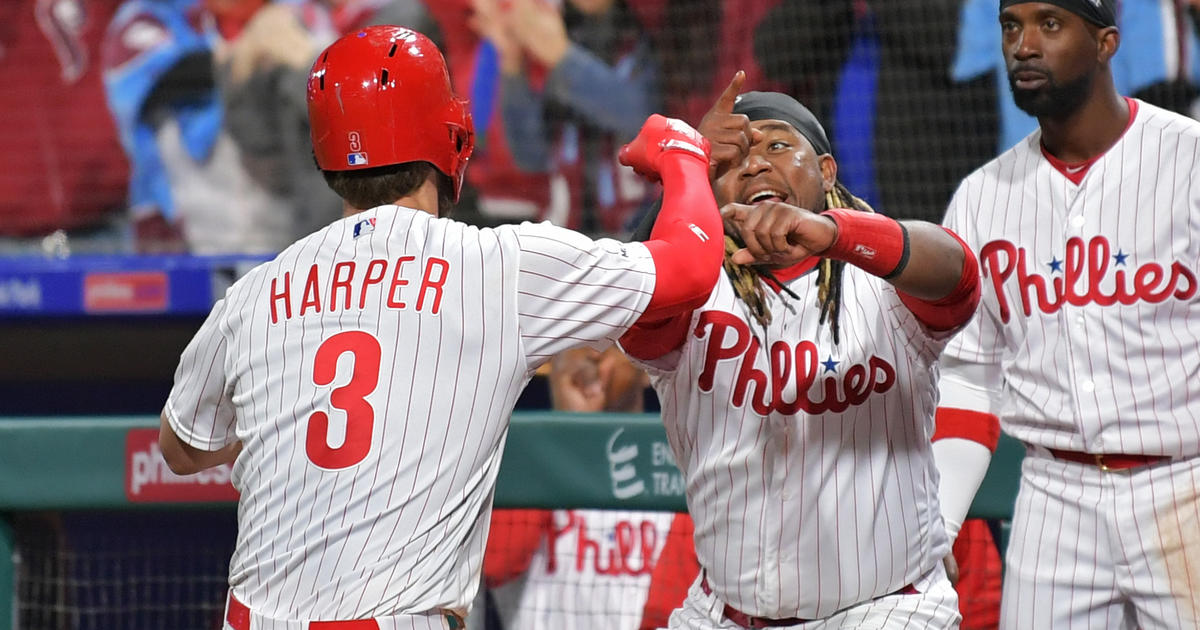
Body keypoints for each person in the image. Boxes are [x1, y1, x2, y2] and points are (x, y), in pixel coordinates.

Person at [157, 25, 727, 627]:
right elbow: (689, 268)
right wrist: (683, 152)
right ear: (449, 134)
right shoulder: (499, 266)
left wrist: (286, 422)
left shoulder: (253, 294)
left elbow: (180, 447)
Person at [620, 80, 983, 627]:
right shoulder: (690, 295)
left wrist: (835, 233)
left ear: (827, 172)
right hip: (723, 612)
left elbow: (960, 275)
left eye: (776, 145)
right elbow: (639, 307)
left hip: (884, 609)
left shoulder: (882, 282)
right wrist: (685, 164)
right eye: (733, 160)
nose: (756, 165)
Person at [935, 1, 1200, 628]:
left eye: (1049, 24)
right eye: (1011, 26)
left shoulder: (1188, 161)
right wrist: (943, 520)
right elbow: (969, 379)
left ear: (1107, 42)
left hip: (1184, 486)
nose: (1024, 45)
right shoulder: (981, 198)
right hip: (1055, 498)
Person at [481, 344, 696, 630]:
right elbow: (497, 566)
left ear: (649, 370)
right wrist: (568, 427)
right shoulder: (527, 458)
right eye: (575, 345)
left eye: (611, 342)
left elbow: (682, 603)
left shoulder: (683, 468)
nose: (594, 355)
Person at [470, 0, 661, 235]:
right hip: (563, 233)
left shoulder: (648, 27)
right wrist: (512, 63)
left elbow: (640, 117)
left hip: (636, 231)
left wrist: (561, 56)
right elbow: (529, 157)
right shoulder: (555, 28)